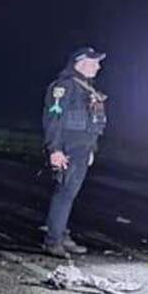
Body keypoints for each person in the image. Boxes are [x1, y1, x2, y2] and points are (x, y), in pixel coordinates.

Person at [43, 46, 109, 258]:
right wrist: (54, 149)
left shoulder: (85, 88)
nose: (98, 66)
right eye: (94, 62)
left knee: (69, 194)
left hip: (81, 149)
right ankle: (53, 241)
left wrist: (91, 149)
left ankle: (62, 234)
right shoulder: (63, 87)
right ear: (80, 63)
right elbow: (53, 119)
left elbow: (91, 123)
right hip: (68, 149)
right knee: (64, 194)